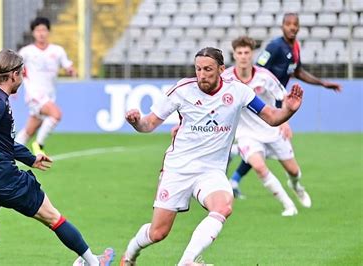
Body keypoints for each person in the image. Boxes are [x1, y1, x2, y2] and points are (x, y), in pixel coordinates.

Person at [0, 49, 114, 266]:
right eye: (22, 73)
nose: (23, 78)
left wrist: (30, 159)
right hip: (4, 179)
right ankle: (94, 262)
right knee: (54, 218)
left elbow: (0, 141)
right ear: (14, 74)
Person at [120, 47, 304, 265]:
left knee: (224, 206)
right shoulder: (182, 90)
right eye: (198, 69)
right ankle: (130, 254)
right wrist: (135, 122)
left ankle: (187, 261)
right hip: (178, 169)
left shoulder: (239, 92)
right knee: (158, 233)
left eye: (207, 69)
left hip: (211, 171)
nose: (202, 74)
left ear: (221, 69)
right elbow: (148, 124)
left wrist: (289, 110)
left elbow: (272, 117)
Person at [229, 12, 342, 198]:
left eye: (295, 24)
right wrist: (278, 111)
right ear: (282, 26)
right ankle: (234, 163)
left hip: (280, 100)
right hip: (265, 102)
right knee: (256, 144)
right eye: (288, 24)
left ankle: (234, 169)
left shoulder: (295, 47)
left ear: (298, 27)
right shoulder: (275, 46)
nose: (292, 27)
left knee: (262, 148)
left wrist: (322, 83)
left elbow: (297, 72)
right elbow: (258, 69)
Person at [222, 36, 311, 216]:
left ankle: (296, 186)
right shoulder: (226, 78)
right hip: (246, 134)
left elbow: (283, 98)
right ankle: (288, 206)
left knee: (293, 171)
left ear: (252, 54)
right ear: (234, 55)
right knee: (259, 167)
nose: (243, 56)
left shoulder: (264, 76)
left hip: (272, 130)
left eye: (247, 52)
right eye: (239, 53)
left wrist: (284, 121)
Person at [15, 17, 76, 155]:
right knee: (56, 114)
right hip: (34, 94)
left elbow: (68, 65)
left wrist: (71, 70)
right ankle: (39, 145)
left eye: (44, 30)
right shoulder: (26, 52)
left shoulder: (57, 51)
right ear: (33, 33)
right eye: (38, 30)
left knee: (28, 131)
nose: (41, 33)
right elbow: (15, 68)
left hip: (49, 95)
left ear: (48, 32)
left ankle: (7, 155)